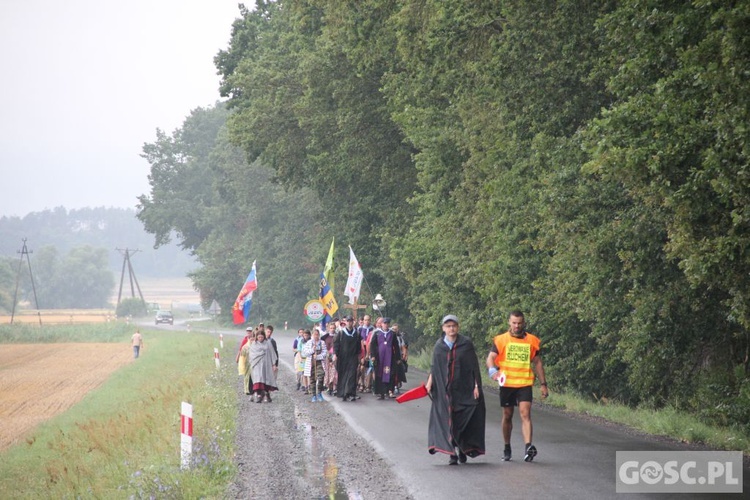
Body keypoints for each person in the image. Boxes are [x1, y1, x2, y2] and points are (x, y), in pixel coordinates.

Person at [486, 310, 549, 462]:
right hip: (507, 383)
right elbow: (490, 358)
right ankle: (507, 447)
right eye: (514, 323)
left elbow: (538, 362)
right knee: (507, 415)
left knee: (525, 413)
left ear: (524, 323)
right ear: (509, 322)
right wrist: (493, 371)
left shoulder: (531, 341)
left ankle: (528, 447)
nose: (516, 326)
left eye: (519, 323)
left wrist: (543, 384)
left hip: (524, 383)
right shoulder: (501, 340)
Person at [426, 314, 486, 465]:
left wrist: (476, 386)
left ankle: (462, 448)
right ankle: (452, 453)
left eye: (454, 326)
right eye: (448, 326)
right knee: (448, 419)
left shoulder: (466, 344)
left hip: (463, 388)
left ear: (458, 327)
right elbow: (435, 367)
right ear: (443, 328)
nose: (451, 328)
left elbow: (474, 367)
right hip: (445, 390)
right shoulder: (439, 346)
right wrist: (429, 383)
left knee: (462, 419)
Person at [369, 317, 402, 400]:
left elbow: (396, 346)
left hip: (389, 357)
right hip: (379, 358)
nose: (386, 325)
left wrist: (398, 357)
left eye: (387, 324)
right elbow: (373, 345)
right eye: (384, 323)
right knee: (379, 374)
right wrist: (373, 356)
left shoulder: (392, 333)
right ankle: (380, 393)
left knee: (389, 374)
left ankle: (388, 391)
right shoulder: (377, 333)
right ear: (381, 324)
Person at [334, 315, 362, 401]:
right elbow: (336, 344)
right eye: (348, 321)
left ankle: (351, 393)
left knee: (352, 375)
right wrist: (336, 355)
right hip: (343, 357)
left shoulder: (356, 333)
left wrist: (359, 356)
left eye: (351, 321)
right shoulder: (341, 333)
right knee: (343, 375)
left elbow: (358, 346)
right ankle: (343, 393)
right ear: (346, 322)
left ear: (353, 322)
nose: (349, 323)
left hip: (353, 357)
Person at [249, 328, 279, 403]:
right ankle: (259, 395)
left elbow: (272, 354)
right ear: (256, 337)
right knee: (258, 379)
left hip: (266, 364)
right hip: (257, 365)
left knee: (266, 379)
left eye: (262, 337)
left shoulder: (268, 343)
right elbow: (251, 355)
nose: (260, 339)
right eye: (259, 337)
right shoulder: (254, 344)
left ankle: (267, 394)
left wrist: (273, 364)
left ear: (264, 337)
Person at [303, 328, 327, 402]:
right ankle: (314, 395)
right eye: (315, 334)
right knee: (312, 379)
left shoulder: (322, 342)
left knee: (321, 376)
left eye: (317, 334)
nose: (316, 336)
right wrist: (312, 350)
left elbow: (325, 352)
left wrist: (318, 357)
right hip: (311, 363)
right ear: (312, 335)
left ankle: (319, 393)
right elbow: (305, 353)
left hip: (319, 363)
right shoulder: (309, 343)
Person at [321, 321, 338, 396]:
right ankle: (329, 387)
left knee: (334, 373)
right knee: (327, 373)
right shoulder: (325, 337)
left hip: (335, 357)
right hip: (327, 357)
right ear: (328, 328)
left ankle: (334, 387)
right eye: (331, 328)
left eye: (333, 328)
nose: (332, 329)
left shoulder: (338, 336)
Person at [240, 329, 256, 399]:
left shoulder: (257, 346)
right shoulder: (245, 347)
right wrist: (242, 365)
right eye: (251, 339)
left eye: (253, 339)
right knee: (249, 378)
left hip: (256, 365)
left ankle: (256, 392)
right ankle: (250, 391)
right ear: (249, 339)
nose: (252, 340)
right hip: (247, 365)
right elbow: (242, 356)